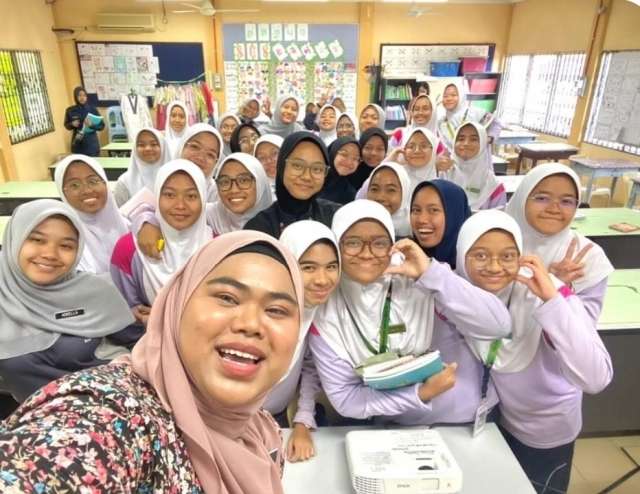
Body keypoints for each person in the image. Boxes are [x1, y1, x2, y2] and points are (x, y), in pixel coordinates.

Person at [0, 231, 304, 493]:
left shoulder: (263, 431)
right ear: (176, 306)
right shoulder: (115, 416)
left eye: (277, 310)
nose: (250, 324)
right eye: (226, 297)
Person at [309, 200, 510, 424]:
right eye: (353, 243)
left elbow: (497, 326)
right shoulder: (325, 307)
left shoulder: (419, 277)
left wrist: (431, 274)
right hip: (396, 426)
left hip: (463, 418)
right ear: (337, 246)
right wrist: (420, 393)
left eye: (379, 243)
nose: (366, 254)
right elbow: (345, 398)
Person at [456, 210, 613, 493]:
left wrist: (553, 300)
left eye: (507, 256)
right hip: (496, 424)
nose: (493, 267)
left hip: (546, 432)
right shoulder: (460, 293)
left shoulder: (545, 293)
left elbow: (596, 378)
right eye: (479, 255)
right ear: (462, 255)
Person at [0, 200, 134, 403]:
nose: (50, 254)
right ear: (14, 239)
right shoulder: (4, 297)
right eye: (37, 240)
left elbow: (140, 344)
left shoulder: (94, 291)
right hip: (40, 422)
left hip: (116, 405)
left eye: (65, 245)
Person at [264, 220, 341, 462]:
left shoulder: (315, 311)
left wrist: (302, 422)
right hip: (227, 421)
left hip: (273, 419)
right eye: (308, 268)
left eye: (331, 266)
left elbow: (310, 366)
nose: (322, 279)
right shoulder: (262, 312)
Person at [504, 163, 613, 320]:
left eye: (567, 201)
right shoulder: (493, 244)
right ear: (522, 199)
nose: (554, 209)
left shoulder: (588, 257)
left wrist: (559, 289)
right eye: (542, 198)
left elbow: (582, 334)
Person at [110, 160, 212, 324]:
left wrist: (164, 319)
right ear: (157, 196)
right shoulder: (128, 249)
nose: (180, 205)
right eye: (169, 195)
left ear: (203, 199)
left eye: (191, 196)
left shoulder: (217, 246)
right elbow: (126, 313)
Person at [133, 154, 273, 260]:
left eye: (244, 180)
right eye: (224, 181)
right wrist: (146, 222)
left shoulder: (278, 217)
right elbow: (159, 210)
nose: (234, 189)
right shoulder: (211, 214)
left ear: (260, 181)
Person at [244, 132, 341, 238]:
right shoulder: (258, 229)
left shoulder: (337, 217)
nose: (307, 177)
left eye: (317, 169)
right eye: (297, 165)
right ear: (282, 166)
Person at [54, 155, 130, 274]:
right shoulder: (63, 240)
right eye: (74, 185)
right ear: (62, 192)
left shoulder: (129, 226)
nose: (87, 190)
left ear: (105, 183)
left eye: (93, 181)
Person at [444, 122, 506, 210]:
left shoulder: (494, 186)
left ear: (483, 143)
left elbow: (497, 221)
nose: (466, 143)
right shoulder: (443, 175)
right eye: (461, 139)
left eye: (473, 139)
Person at [410, 180, 472, 269]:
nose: (421, 219)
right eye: (416, 210)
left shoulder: (476, 270)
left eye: (433, 210)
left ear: (454, 216)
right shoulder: (402, 261)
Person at [438, 80, 500, 161]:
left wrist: (489, 138)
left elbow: (495, 124)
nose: (449, 99)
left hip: (478, 163)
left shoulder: (474, 113)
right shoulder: (443, 122)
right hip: (456, 165)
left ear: (462, 96)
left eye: (454, 95)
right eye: (445, 96)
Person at [113, 128, 172, 207]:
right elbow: (118, 216)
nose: (147, 149)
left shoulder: (176, 179)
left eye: (154, 144)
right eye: (141, 145)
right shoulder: (124, 183)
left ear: (163, 147)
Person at [174, 123, 224, 202]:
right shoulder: (161, 181)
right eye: (195, 147)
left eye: (210, 155)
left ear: (216, 163)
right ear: (182, 146)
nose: (201, 158)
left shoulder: (217, 196)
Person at [365, 162, 412, 237]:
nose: (380, 197)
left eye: (391, 190)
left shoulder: (414, 227)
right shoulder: (358, 222)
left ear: (405, 193)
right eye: (374, 189)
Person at [318, 136, 361, 204]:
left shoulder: (351, 195)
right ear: (333, 152)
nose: (349, 162)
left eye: (355, 158)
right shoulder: (313, 177)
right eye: (344, 154)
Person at [63, 87, 104, 157]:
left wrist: (91, 125)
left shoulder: (93, 110)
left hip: (91, 143)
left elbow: (102, 126)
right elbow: (66, 125)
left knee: (94, 164)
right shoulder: (70, 110)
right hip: (78, 143)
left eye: (84, 95)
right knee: (80, 165)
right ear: (75, 96)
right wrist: (72, 124)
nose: (82, 98)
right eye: (79, 95)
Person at [255, 134, 284, 202]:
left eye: (274, 153)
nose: (268, 161)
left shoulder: (301, 185)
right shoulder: (256, 194)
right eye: (262, 158)